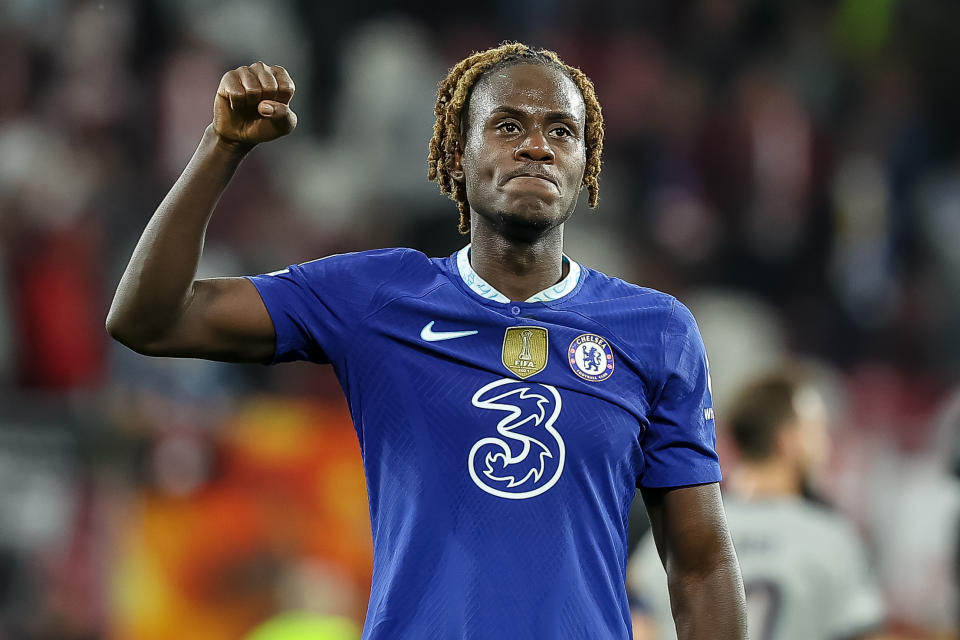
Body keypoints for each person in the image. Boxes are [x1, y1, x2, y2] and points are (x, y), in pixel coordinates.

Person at [107, 43, 747, 639]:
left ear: (586, 164)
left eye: (561, 131)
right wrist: (222, 149)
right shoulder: (377, 296)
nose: (537, 147)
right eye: (507, 126)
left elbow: (700, 563)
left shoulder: (657, 330)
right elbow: (149, 319)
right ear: (457, 153)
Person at [628, 368, 886, 640]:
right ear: (789, 441)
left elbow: (640, 629)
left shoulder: (679, 529)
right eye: (816, 432)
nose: (824, 446)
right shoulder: (833, 540)